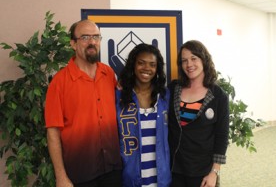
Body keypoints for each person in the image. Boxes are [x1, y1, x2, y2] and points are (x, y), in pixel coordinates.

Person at [45, 20, 122, 187]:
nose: (92, 42)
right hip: (81, 173)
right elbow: (53, 133)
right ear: (73, 44)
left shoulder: (108, 73)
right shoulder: (59, 82)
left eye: (96, 37)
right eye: (85, 37)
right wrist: (61, 177)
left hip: (113, 169)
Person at [168, 40, 229, 187]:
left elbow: (222, 136)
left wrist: (214, 172)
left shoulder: (218, 96)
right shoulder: (173, 89)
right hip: (174, 169)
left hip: (202, 172)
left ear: (204, 59)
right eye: (184, 60)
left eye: (194, 58)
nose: (189, 64)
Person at [116, 43, 171, 187]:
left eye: (152, 65)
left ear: (157, 68)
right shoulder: (119, 97)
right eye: (141, 63)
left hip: (161, 178)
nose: (147, 68)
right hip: (131, 178)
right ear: (133, 65)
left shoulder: (165, 97)